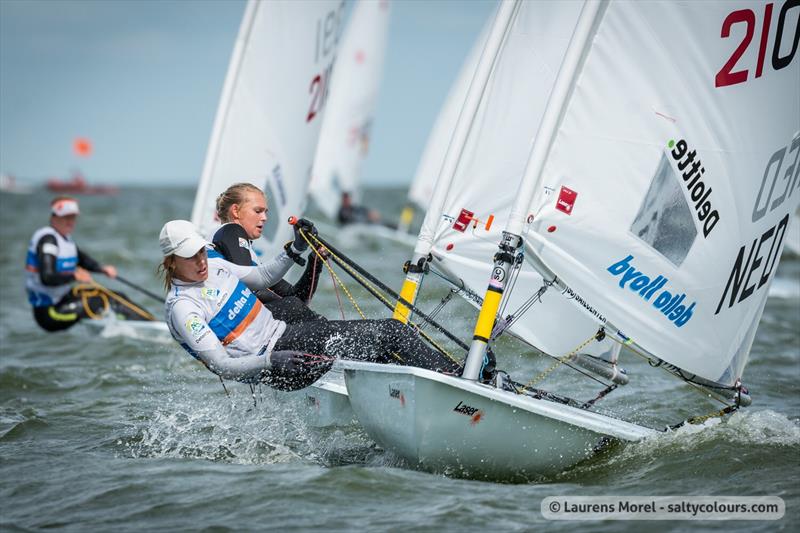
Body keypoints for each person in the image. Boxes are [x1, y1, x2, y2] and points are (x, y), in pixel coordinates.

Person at [159, 219, 462, 390]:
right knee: (391, 333)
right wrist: (270, 362)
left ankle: (434, 384)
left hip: (288, 336)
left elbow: (263, 276)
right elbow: (220, 365)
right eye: (190, 256)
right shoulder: (184, 307)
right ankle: (456, 383)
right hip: (278, 361)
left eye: (201, 251)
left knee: (379, 346)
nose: (200, 260)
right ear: (171, 262)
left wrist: (296, 249)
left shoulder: (214, 265)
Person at [25, 196, 153, 331]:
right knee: (100, 301)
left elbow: (83, 260)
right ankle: (148, 328)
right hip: (49, 314)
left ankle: (152, 323)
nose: (70, 222)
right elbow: (47, 277)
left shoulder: (64, 239)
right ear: (54, 217)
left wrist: (102, 269)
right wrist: (74, 277)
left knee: (116, 296)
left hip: (63, 300)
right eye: (66, 217)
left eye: (73, 217)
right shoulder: (48, 240)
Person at [212, 183, 324, 324]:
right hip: (238, 326)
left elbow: (298, 297)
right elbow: (251, 287)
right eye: (258, 211)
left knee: (296, 306)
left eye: (266, 212)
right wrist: (294, 250)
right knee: (295, 308)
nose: (264, 217)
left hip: (248, 326)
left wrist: (315, 262)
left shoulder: (247, 257)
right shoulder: (230, 230)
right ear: (236, 211)